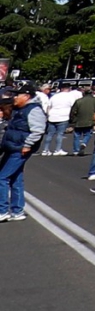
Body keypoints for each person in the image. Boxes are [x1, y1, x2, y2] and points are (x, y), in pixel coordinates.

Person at [1, 82, 40, 220]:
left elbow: (38, 130)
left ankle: (2, 210)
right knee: (15, 178)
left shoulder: (33, 110)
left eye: (18, 95)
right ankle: (17, 211)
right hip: (12, 147)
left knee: (2, 177)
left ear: (27, 96)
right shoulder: (21, 109)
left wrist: (27, 145)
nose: (15, 97)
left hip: (19, 148)